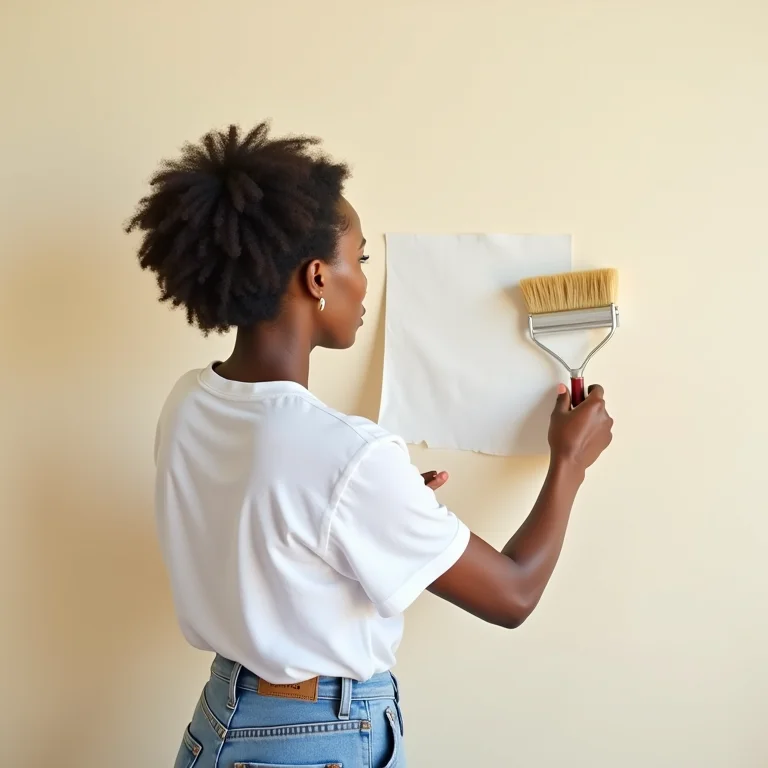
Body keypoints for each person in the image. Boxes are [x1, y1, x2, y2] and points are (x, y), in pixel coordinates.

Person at [126, 122, 613, 768]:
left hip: (218, 726)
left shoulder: (188, 402)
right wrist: (570, 463)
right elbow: (513, 595)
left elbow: (273, 533)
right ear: (317, 277)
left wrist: (371, 506)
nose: (363, 281)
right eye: (359, 260)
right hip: (314, 741)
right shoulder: (345, 455)